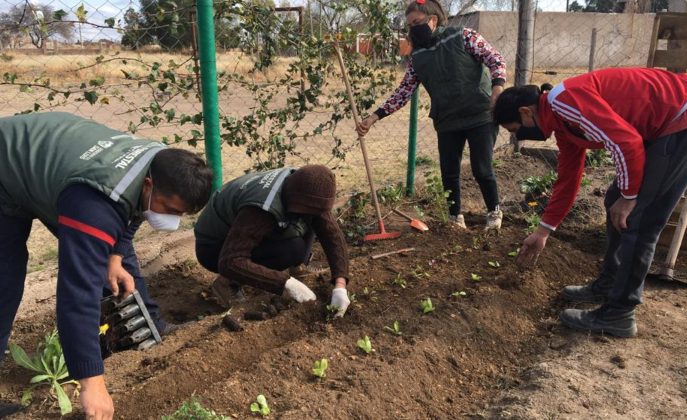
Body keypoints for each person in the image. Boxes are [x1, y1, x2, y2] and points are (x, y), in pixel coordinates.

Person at [0, 112, 213, 419]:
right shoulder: (95, 205)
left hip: (47, 165)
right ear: (150, 185)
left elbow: (133, 212)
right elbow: (77, 293)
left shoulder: (160, 161)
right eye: (169, 209)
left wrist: (114, 257)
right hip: (9, 169)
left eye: (181, 214)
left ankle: (151, 330)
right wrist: (92, 383)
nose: (171, 219)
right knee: (5, 281)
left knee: (112, 259)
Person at [493, 67, 687, 337]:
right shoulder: (563, 122)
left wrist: (629, 196)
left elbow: (625, 142)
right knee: (614, 200)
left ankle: (619, 313)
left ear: (525, 112)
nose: (520, 136)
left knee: (638, 218)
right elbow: (568, 180)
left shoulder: (566, 103)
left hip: (686, 118)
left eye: (516, 129)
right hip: (671, 121)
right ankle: (610, 282)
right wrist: (544, 231)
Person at [356, 0, 507, 230]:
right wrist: (374, 116)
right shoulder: (418, 56)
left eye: (417, 22)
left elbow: (495, 59)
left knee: (481, 168)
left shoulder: (464, 36)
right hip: (447, 119)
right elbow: (404, 91)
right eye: (410, 25)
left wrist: (497, 88)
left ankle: (494, 212)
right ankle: (455, 218)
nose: (413, 28)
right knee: (449, 172)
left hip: (480, 113)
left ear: (433, 20)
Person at [194, 165, 351, 317]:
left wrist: (340, 285)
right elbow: (230, 260)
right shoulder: (262, 209)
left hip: (241, 232)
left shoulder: (306, 187)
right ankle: (227, 282)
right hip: (214, 247)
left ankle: (298, 266)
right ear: (292, 200)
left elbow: (331, 234)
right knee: (290, 250)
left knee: (311, 222)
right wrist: (286, 283)